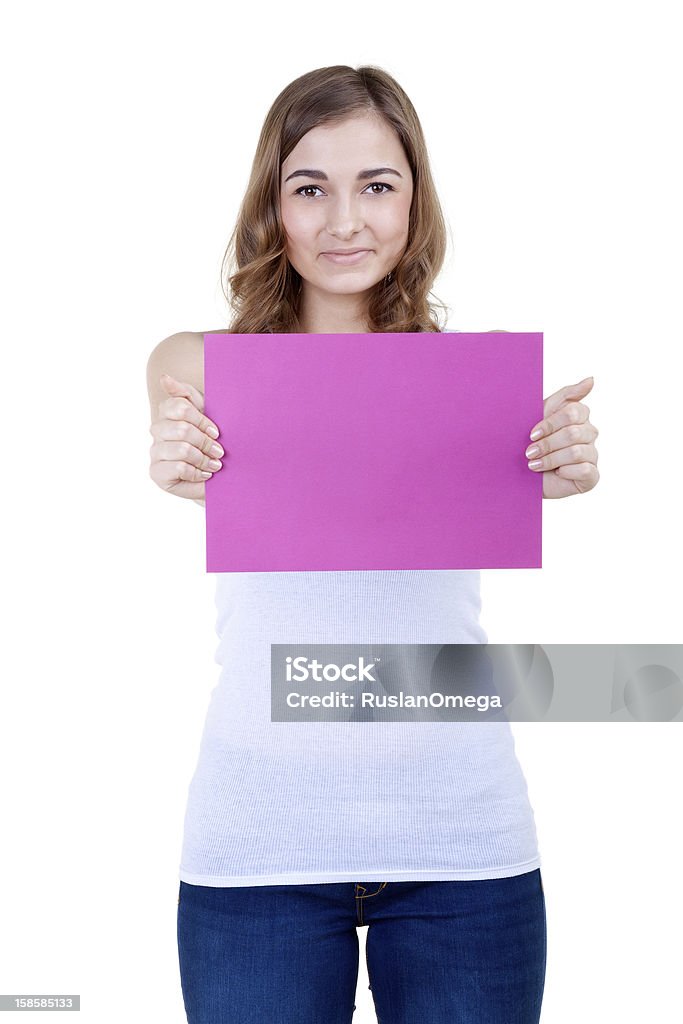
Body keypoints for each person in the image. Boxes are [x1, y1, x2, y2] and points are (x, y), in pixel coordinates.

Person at [147, 65, 599, 1024]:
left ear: (415, 201)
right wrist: (175, 451)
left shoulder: (478, 387)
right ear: (272, 204)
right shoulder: (203, 368)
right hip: (258, 847)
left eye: (377, 186)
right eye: (310, 187)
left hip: (461, 847)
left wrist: (558, 465)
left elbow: (536, 470)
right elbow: (174, 418)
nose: (344, 221)